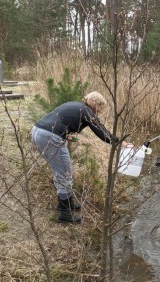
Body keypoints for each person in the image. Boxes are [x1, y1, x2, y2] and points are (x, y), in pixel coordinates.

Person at [31, 91, 123, 224]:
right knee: (65, 174)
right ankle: (65, 214)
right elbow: (103, 133)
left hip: (37, 131)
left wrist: (66, 135)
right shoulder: (87, 111)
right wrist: (120, 142)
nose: (97, 113)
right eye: (99, 110)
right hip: (49, 137)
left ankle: (67, 204)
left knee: (60, 172)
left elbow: (59, 120)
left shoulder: (76, 106)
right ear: (96, 105)